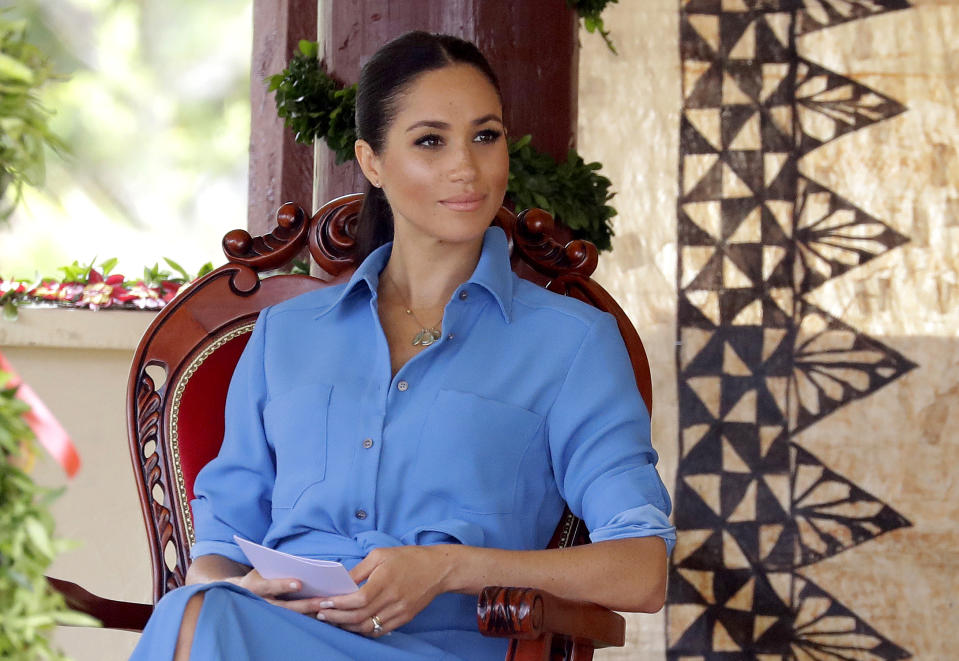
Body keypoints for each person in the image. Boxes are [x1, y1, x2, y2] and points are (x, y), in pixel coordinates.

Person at [129, 30, 675, 661]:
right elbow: (218, 547)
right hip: (267, 635)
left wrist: (449, 568)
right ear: (372, 162)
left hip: (444, 648)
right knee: (201, 610)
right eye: (430, 141)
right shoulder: (284, 336)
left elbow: (641, 570)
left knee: (200, 623)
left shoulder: (572, 343)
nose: (465, 167)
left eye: (485, 135)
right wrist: (247, 589)